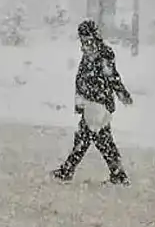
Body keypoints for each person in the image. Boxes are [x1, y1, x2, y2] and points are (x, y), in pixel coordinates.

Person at [51, 19, 133, 185]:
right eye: (82, 38)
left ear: (94, 36)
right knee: (98, 140)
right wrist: (80, 101)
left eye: (87, 37)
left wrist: (123, 94)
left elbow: (111, 77)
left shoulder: (103, 54)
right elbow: (82, 78)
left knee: (87, 139)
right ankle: (117, 173)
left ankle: (68, 170)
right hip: (91, 104)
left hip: (99, 105)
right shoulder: (89, 53)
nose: (84, 41)